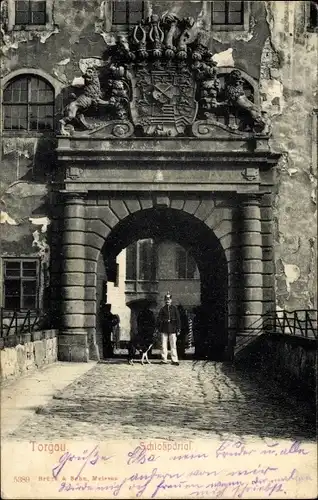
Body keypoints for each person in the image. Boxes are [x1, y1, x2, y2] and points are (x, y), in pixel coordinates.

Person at [157, 292, 181, 366]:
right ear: (164, 300)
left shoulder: (174, 309)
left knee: (173, 345)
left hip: (173, 329)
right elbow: (159, 319)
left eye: (169, 299)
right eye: (166, 299)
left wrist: (178, 328)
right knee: (164, 345)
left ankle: (174, 359)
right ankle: (164, 359)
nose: (167, 301)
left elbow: (178, 319)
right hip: (164, 329)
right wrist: (164, 321)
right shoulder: (162, 309)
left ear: (171, 300)